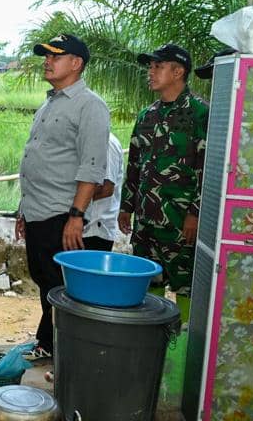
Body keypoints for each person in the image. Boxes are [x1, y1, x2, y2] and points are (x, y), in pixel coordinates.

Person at [16, 34, 111, 359]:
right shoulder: (50, 103)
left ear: (76, 63)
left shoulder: (90, 106)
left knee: (63, 289)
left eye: (56, 56)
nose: (47, 61)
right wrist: (22, 211)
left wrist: (76, 216)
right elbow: (37, 157)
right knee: (46, 283)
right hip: (37, 213)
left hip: (61, 214)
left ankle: (72, 357)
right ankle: (50, 346)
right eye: (46, 55)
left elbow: (92, 167)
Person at [118, 43, 209, 309]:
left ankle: (179, 344)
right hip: (146, 219)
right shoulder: (148, 115)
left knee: (186, 284)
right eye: (150, 66)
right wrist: (126, 206)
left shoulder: (200, 113)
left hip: (181, 220)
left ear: (178, 71)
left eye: (158, 66)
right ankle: (155, 338)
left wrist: (196, 212)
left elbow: (208, 169)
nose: (151, 72)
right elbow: (134, 164)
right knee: (149, 278)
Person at [83, 133, 124, 252]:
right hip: (84, 228)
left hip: (95, 230)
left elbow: (105, 188)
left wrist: (70, 203)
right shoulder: (86, 140)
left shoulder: (107, 143)